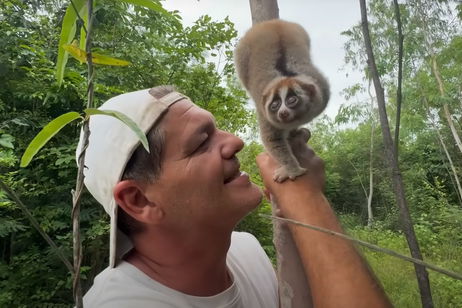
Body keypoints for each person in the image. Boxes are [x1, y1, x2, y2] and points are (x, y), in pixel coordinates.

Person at [78, 85, 392, 307]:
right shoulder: (124, 303)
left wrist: (288, 210)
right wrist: (306, 199)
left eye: (218, 130)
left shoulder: (245, 250)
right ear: (139, 201)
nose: (236, 141)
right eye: (201, 144)